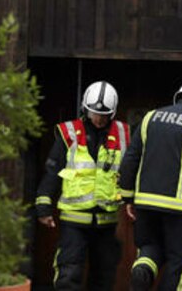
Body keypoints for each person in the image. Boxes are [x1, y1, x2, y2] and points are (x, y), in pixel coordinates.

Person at [120, 79, 182, 291]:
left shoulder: (149, 118)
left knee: (148, 249)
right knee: (179, 261)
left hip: (145, 205)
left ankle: (142, 272)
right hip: (181, 210)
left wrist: (128, 197)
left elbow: (130, 159)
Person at [35, 81, 130, 291]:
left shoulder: (124, 134)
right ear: (85, 109)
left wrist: (133, 200)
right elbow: (53, 170)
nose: (99, 118)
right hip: (74, 222)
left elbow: (133, 171)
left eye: (104, 115)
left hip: (107, 222)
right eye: (94, 113)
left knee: (104, 276)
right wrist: (43, 205)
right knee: (69, 273)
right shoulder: (69, 133)